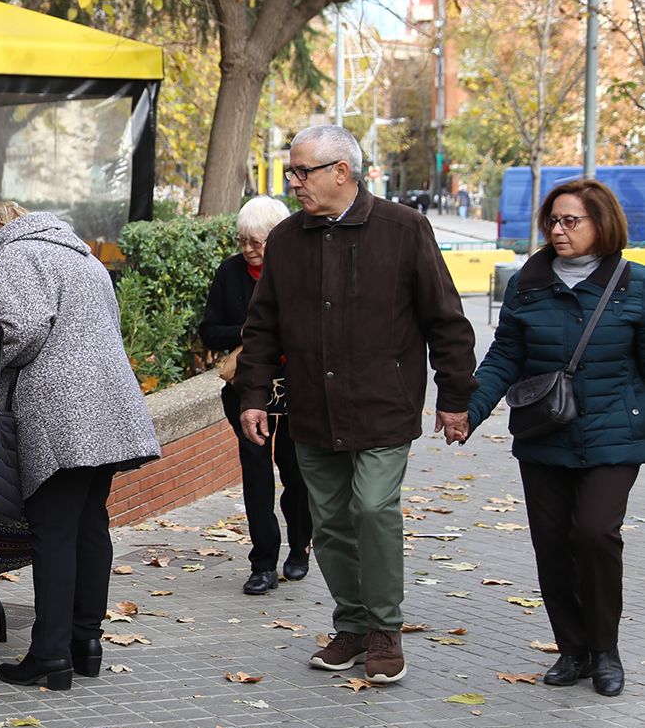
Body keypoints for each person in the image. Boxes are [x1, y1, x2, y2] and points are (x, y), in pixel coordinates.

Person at [236, 125, 476, 686]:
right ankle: (353, 625)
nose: (292, 182)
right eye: (290, 171)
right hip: (312, 410)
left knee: (372, 509)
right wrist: (253, 395)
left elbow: (446, 319)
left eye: (302, 172)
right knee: (332, 522)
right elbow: (262, 324)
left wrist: (455, 397)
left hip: (382, 406)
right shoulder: (289, 239)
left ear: (341, 171)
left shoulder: (403, 228)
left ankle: (385, 630)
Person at [467, 178, 644, 697]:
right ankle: (573, 650)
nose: (558, 230)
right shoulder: (529, 282)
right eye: (554, 220)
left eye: (571, 221)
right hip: (545, 433)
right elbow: (505, 357)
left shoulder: (634, 285)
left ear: (602, 224)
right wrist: (469, 410)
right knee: (551, 545)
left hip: (614, 433)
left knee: (593, 533)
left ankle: (605, 648)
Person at [0, 201, 159, 691]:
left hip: (60, 412)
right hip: (108, 408)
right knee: (90, 525)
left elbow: (25, 328)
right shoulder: (82, 257)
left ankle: (49, 655)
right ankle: (85, 643)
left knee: (53, 532)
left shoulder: (16, 255)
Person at [199, 195, 311, 596]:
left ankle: (299, 547)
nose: (248, 249)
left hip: (295, 386)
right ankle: (262, 562)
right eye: (243, 240)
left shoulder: (297, 270)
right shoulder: (229, 273)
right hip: (246, 389)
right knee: (256, 475)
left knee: (295, 471)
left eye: (256, 241)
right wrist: (250, 333)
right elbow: (209, 330)